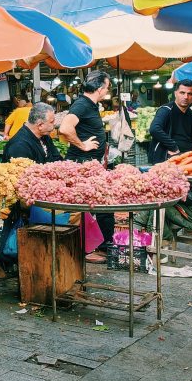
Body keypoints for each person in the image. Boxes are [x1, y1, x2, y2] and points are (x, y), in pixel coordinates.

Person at [59, 70, 114, 252]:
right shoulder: (82, 104)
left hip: (89, 164)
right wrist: (82, 145)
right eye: (106, 87)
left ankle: (98, 243)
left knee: (97, 204)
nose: (107, 91)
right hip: (81, 163)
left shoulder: (90, 104)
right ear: (99, 88)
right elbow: (65, 128)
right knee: (102, 203)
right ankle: (102, 245)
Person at [149, 79, 192, 164]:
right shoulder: (166, 110)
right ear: (175, 93)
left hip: (187, 160)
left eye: (190, 94)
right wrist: (174, 147)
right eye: (182, 93)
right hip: (166, 159)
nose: (186, 97)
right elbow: (154, 129)